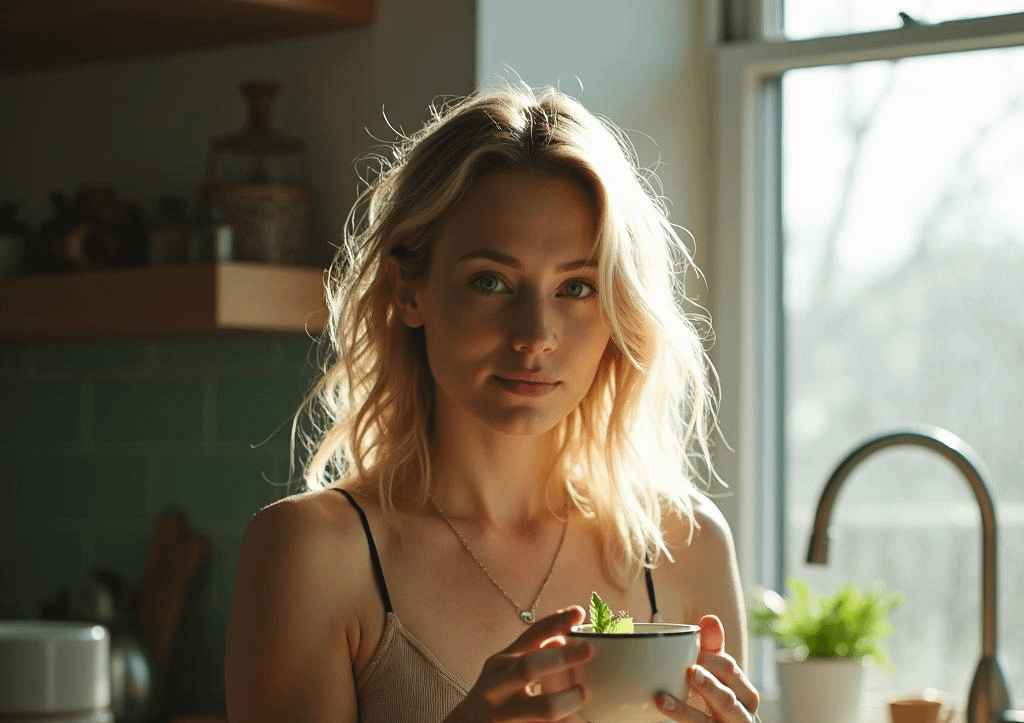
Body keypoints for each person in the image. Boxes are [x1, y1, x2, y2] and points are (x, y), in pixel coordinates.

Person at [225, 80, 760, 723]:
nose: (535, 335)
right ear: (409, 289)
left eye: (577, 288)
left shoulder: (684, 544)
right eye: (492, 281)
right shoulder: (311, 552)